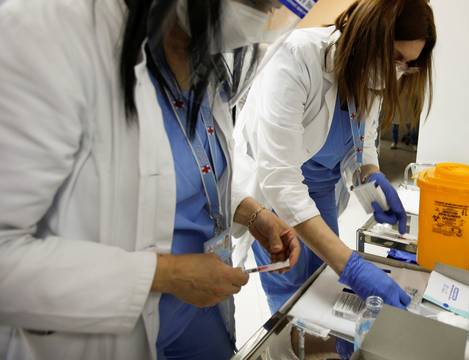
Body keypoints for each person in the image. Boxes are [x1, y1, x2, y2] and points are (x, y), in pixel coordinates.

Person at [0, 0, 317, 359]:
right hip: (104, 332)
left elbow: (189, 165)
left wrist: (251, 212)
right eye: (258, 3)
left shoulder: (197, 51)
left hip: (203, 318)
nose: (264, 18)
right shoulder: (49, 34)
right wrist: (166, 275)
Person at [234, 0, 436, 314]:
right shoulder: (296, 57)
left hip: (322, 190)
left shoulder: (371, 77)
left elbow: (361, 142)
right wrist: (353, 267)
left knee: (322, 282)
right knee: (293, 295)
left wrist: (372, 179)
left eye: (407, 65)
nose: (398, 72)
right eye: (395, 58)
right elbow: (280, 178)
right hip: (275, 195)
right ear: (371, 38)